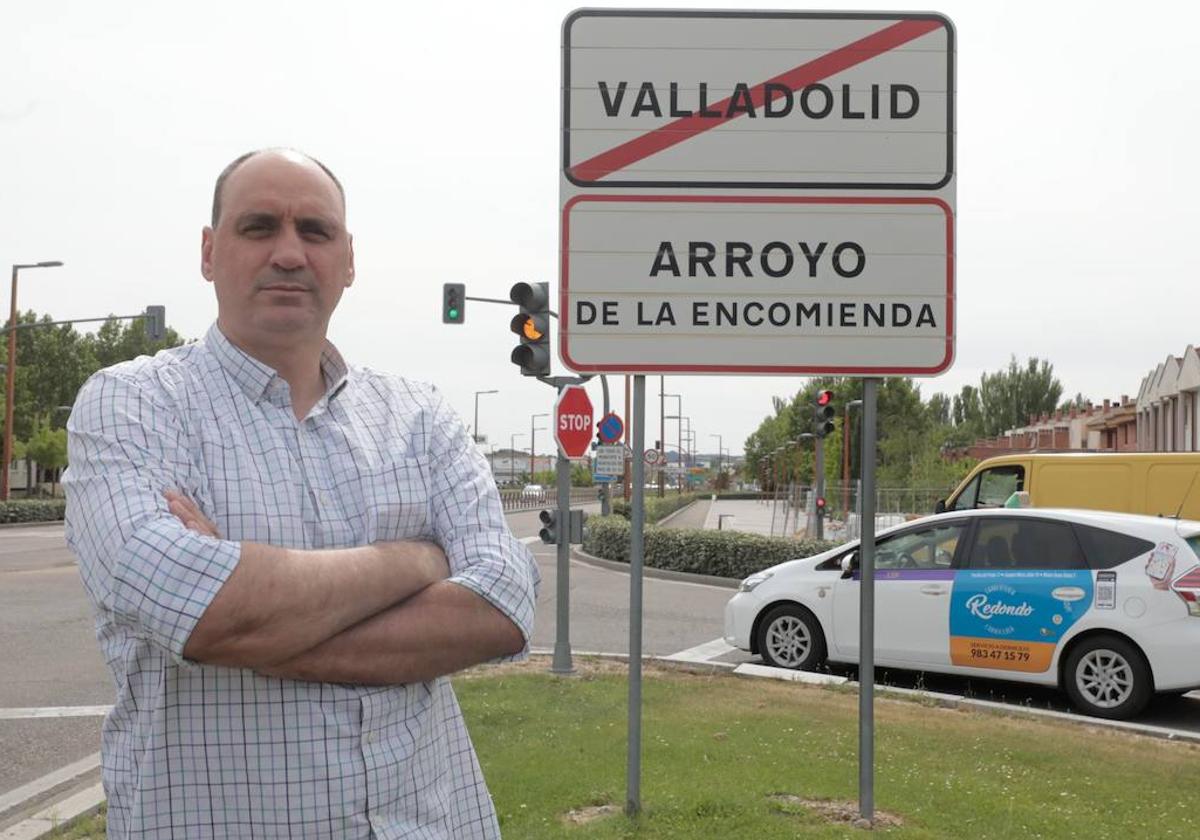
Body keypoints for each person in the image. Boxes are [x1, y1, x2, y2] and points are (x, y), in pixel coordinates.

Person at [63, 148, 539, 839]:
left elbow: (505, 606)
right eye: (260, 227)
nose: (289, 252)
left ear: (348, 259)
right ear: (208, 251)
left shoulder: (419, 415)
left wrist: (246, 614)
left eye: (314, 231)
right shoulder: (131, 405)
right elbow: (202, 612)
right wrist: (416, 561)